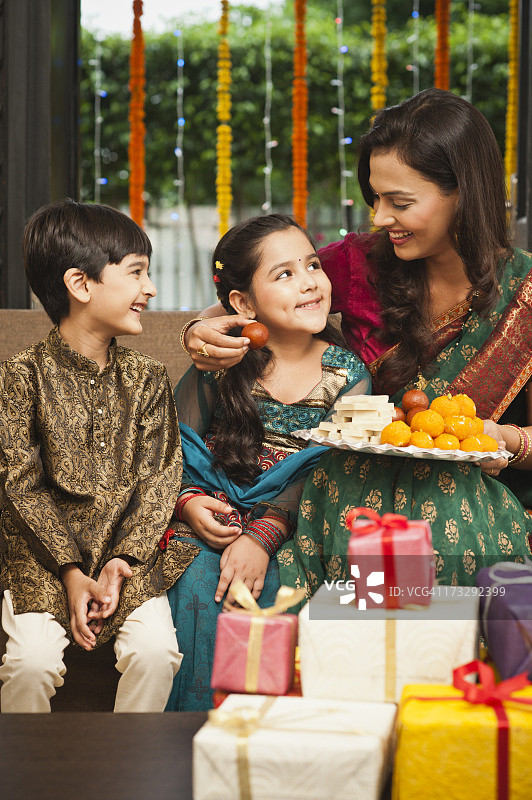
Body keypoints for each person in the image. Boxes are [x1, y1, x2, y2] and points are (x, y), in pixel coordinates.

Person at [182, 88, 532, 596]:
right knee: (340, 489)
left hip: (472, 499)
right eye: (375, 198)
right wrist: (197, 329)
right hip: (350, 489)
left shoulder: (523, 297)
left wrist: (504, 440)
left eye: (401, 202)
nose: (380, 218)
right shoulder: (359, 261)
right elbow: (264, 294)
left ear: (464, 193)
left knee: (443, 511)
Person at [165, 213, 370, 710]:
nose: (309, 284)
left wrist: (263, 535)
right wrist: (191, 504)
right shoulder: (220, 364)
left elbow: (329, 469)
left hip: (297, 525)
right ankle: (192, 738)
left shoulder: (347, 374)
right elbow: (176, 449)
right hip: (212, 519)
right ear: (241, 303)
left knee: (274, 586)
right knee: (199, 579)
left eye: (313, 266)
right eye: (284, 274)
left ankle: (269, 745)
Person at [0, 199, 198, 713]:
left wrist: (121, 562)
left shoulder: (149, 377)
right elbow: (18, 485)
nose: (149, 289)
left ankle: (127, 779)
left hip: (125, 557)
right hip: (43, 562)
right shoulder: (20, 377)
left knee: (157, 652)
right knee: (32, 663)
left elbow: (160, 479)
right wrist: (70, 571)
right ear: (81, 284)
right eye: (136, 273)